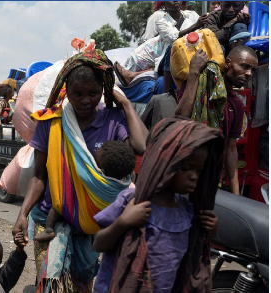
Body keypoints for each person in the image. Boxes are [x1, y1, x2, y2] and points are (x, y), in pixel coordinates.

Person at [12, 50, 148, 292]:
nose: (85, 100)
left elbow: (140, 146)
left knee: (82, 284)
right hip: (47, 218)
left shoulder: (114, 119)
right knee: (51, 285)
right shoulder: (51, 121)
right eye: (77, 94)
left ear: (103, 91)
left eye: (93, 93)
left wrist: (126, 104)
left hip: (93, 222)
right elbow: (40, 176)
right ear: (66, 90)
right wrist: (22, 213)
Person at [92, 117, 223, 292]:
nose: (194, 176)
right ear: (164, 165)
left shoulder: (186, 211)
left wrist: (211, 230)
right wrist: (123, 222)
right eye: (186, 168)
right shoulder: (131, 201)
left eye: (198, 170)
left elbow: (194, 249)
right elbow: (99, 244)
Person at [176, 46, 258, 195]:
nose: (249, 74)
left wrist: (236, 195)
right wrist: (194, 71)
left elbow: (231, 149)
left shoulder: (237, 104)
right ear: (227, 63)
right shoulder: (201, 86)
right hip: (183, 172)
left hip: (210, 179)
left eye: (252, 70)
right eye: (245, 67)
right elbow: (180, 118)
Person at [34, 140, 136, 242]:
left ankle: (48, 229)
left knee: (59, 201)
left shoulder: (96, 180)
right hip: (97, 223)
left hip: (82, 215)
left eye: (95, 161)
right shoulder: (126, 179)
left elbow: (79, 175)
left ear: (103, 169)